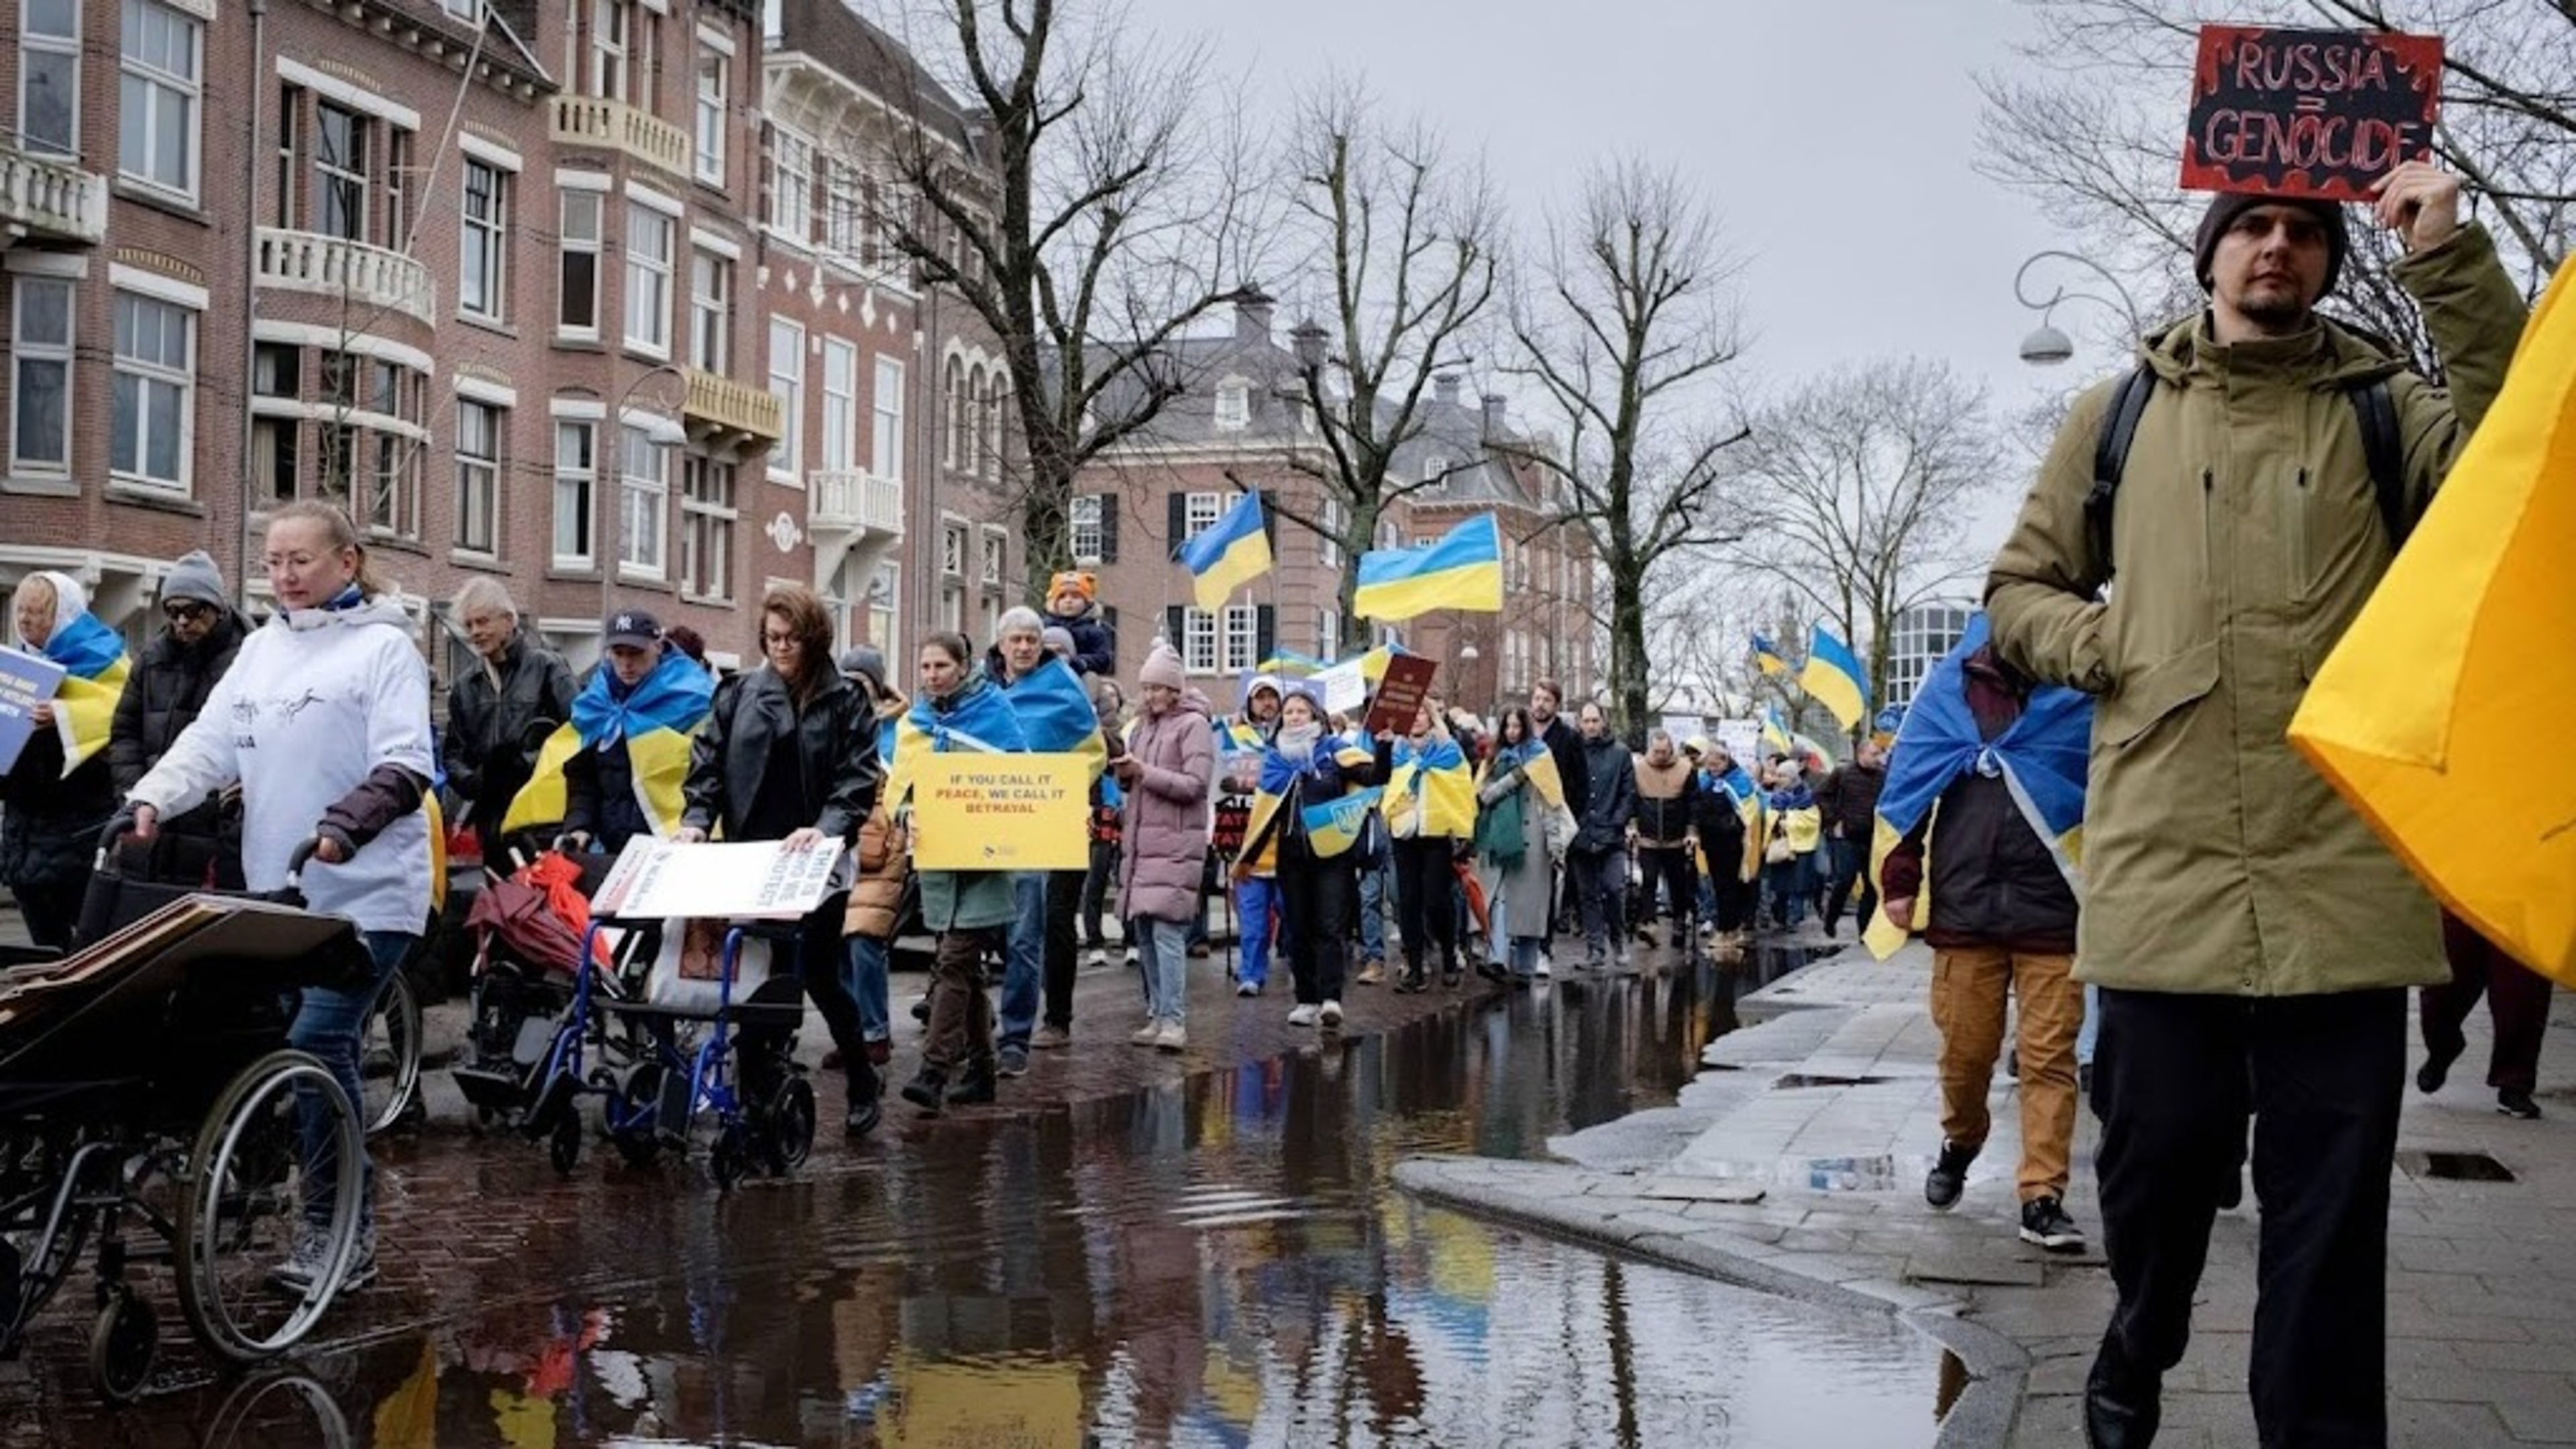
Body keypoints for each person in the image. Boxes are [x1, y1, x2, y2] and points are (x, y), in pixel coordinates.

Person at [1984, 163, 2526, 1448]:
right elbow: (2018, 592)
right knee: (2158, 1178)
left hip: (2338, 879)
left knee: (2330, 1235)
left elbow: (2521, 465)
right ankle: (2137, 1352)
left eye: (2302, 230)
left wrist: (2447, 259)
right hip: (2165, 881)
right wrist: (2110, 647)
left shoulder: (2388, 411)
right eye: (2253, 228)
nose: (2276, 247)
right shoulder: (2115, 418)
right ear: (2211, 257)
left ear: (2333, 259)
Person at [124, 502, 436, 1287]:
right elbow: (207, 741)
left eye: (301, 560)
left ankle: (340, 1236)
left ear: (347, 562)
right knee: (243, 1035)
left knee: (317, 1044)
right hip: (280, 891)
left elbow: (407, 766)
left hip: (366, 894)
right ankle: (260, 1173)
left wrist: (344, 825)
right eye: (273, 562)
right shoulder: (261, 650)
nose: (286, 575)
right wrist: (151, 799)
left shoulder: (385, 650)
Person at [1878, 635, 2089, 1254]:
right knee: (1966, 1055)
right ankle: (1962, 1139)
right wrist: (1899, 879)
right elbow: (1914, 779)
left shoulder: (2081, 687)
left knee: (2050, 1059)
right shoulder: (1951, 689)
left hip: (2054, 913)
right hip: (1967, 911)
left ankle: (2041, 1196)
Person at [676, 586, 880, 1137]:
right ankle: (758, 1081)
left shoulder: (845, 701)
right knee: (756, 970)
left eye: (792, 639)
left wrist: (827, 829)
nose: (782, 649)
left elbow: (857, 778)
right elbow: (708, 764)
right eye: (772, 639)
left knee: (815, 971)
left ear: (813, 639)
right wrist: (697, 820)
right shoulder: (739, 692)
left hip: (816, 854)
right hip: (754, 853)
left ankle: (862, 1075)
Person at [899, 632, 1029, 1111]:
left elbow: (1022, 780)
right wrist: (904, 814)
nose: (932, 676)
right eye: (926, 667)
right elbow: (899, 788)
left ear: (963, 666)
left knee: (952, 961)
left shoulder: (995, 713)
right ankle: (983, 1069)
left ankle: (933, 1070)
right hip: (939, 863)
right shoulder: (916, 722)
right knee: (967, 972)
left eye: (941, 667)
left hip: (985, 863)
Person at [987, 606, 1106, 1067]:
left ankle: (1029, 1027)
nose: (1022, 648)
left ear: (1040, 646)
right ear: (1001, 645)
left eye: (1030, 641)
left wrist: (1056, 788)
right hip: (988, 823)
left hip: (1044, 825)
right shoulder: (984, 692)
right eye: (1014, 640)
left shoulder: (1063, 692)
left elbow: (1093, 753)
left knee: (1034, 927)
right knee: (989, 926)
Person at [109, 551, 252, 889]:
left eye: (193, 610)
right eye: (172, 611)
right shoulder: (151, 658)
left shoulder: (249, 658)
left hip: (214, 835)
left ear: (218, 607)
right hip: (151, 830)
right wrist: (138, 796)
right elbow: (124, 733)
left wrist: (222, 810)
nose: (182, 621)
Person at [3, 572, 123, 950]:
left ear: (63, 615)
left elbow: (120, 714)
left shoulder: (105, 659)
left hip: (75, 837)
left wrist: (62, 717)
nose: (26, 621)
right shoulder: (18, 667)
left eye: (39, 612)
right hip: (25, 842)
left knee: (86, 949)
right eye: (21, 611)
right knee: (42, 953)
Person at [1113, 643, 1214, 1049]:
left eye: (1157, 688)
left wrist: (1144, 772)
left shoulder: (1194, 726)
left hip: (1174, 846)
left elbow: (1196, 785)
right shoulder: (1141, 728)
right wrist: (1124, 774)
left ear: (1174, 689)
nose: (1150, 695)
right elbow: (1135, 782)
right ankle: (1156, 1014)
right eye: (1146, 688)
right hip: (1140, 846)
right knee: (1145, 932)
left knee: (1168, 936)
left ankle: (1174, 1020)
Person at [558, 609, 714, 859]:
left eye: (636, 653)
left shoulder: (693, 699)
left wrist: (695, 826)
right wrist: (579, 826)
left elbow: (708, 774)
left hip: (673, 844)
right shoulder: (596, 702)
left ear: (658, 648)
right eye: (618, 654)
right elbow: (582, 775)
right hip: (610, 846)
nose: (626, 663)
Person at [1246, 683, 1356, 1026]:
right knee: (1298, 926)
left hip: (1331, 853)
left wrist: (1382, 745)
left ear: (1316, 717)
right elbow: (1266, 808)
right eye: (1289, 712)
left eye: (1301, 711)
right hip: (1292, 855)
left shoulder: (1335, 751)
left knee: (1330, 924)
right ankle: (1306, 998)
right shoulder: (1276, 759)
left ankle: (1331, 998)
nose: (1294, 717)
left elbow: (1372, 775)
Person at [443, 579, 573, 856]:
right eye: (469, 626)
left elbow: (576, 735)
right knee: (502, 895)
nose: (475, 632)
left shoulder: (547, 668)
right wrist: (474, 781)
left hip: (542, 819)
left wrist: (523, 767)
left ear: (509, 620)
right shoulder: (466, 685)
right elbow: (453, 754)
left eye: (482, 622)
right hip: (492, 820)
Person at [837, 646, 908, 1069]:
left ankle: (875, 1033)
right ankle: (851, 1033)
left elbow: (903, 789)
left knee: (865, 940)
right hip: (837, 845)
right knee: (835, 945)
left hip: (880, 849)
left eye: (861, 683)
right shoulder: (830, 722)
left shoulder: (899, 731)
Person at [2419, 913, 2555, 1120]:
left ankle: (2515, 1083)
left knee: (2522, 997)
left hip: (2528, 906)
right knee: (2442, 989)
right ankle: (2443, 1048)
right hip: (2466, 897)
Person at [1384, 700, 1474, 992]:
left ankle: (1449, 954)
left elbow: (1461, 788)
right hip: (1405, 833)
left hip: (1436, 833)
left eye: (1421, 713)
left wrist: (1462, 831)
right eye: (1410, 714)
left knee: (1436, 899)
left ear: (1431, 716)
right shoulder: (1398, 750)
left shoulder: (1448, 750)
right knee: (1407, 901)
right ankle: (1414, 967)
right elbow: (1386, 783)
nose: (1416, 719)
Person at [1475, 706, 1558, 986]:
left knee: (1529, 904)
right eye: (1508, 726)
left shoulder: (1541, 756)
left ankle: (1525, 966)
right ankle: (1498, 959)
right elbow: (1479, 792)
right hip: (1500, 835)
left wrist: (1556, 843)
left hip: (1532, 836)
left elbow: (1552, 798)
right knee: (1500, 898)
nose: (1512, 732)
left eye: (1517, 727)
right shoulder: (1494, 756)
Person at [1566, 702, 1635, 971]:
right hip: (1581, 834)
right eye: (1587, 721)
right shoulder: (1574, 752)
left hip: (1610, 834)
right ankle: (1595, 947)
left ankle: (1617, 938)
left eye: (1595, 720)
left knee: (1613, 887)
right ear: (1580, 723)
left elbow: (1629, 793)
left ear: (1604, 722)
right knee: (1587, 894)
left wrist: (1618, 821)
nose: (1591, 726)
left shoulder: (1620, 753)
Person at [1528, 679, 1590, 945]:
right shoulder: (1522, 732)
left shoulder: (1569, 738)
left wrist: (1568, 815)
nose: (1540, 705)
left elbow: (1581, 782)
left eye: (1546, 700)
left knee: (1547, 884)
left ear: (1556, 705)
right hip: (1522, 817)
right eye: (1537, 698)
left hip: (1552, 816)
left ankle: (1544, 944)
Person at [1630, 729, 1701, 947]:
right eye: (1656, 751)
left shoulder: (1686, 769)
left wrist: (1692, 831)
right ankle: (1649, 923)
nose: (1660, 756)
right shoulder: (1640, 769)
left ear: (1671, 749)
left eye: (1664, 751)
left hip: (1676, 837)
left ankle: (1679, 919)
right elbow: (1632, 800)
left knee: (1677, 883)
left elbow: (1693, 803)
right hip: (1648, 836)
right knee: (1649, 880)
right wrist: (1631, 826)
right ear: (1651, 749)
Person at [1815, 739, 1886, 939]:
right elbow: (1821, 795)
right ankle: (1831, 917)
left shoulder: (1883, 776)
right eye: (1873, 754)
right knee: (1845, 879)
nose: (1877, 759)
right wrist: (1833, 820)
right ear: (1861, 754)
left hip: (1873, 836)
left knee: (1872, 884)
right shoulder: (1843, 773)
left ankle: (1865, 930)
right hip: (1847, 836)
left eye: (1879, 754)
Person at [1080, 679, 1127, 969]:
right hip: (1097, 811)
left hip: (1122, 810)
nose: (1108, 700)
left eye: (1112, 697)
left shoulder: (1126, 731)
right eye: (1103, 696)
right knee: (1095, 879)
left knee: (1126, 876)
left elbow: (1118, 758)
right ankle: (1094, 941)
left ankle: (1131, 939)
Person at [1760, 760, 1822, 931]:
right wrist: (1777, 819)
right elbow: (1769, 816)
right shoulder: (1776, 797)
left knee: (1798, 885)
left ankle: (1794, 917)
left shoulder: (1807, 797)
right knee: (1780, 884)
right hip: (1781, 845)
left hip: (1801, 846)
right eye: (1778, 776)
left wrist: (1789, 821)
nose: (1779, 780)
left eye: (1783, 776)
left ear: (1793, 777)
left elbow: (1813, 820)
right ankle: (1781, 915)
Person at [1043, 571, 1116, 677]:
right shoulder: (1045, 626)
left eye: (1075, 596)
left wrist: (1080, 662)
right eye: (1062, 597)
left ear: (1087, 602)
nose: (1068, 601)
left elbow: (1103, 659)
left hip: (1080, 677)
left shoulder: (1094, 631)